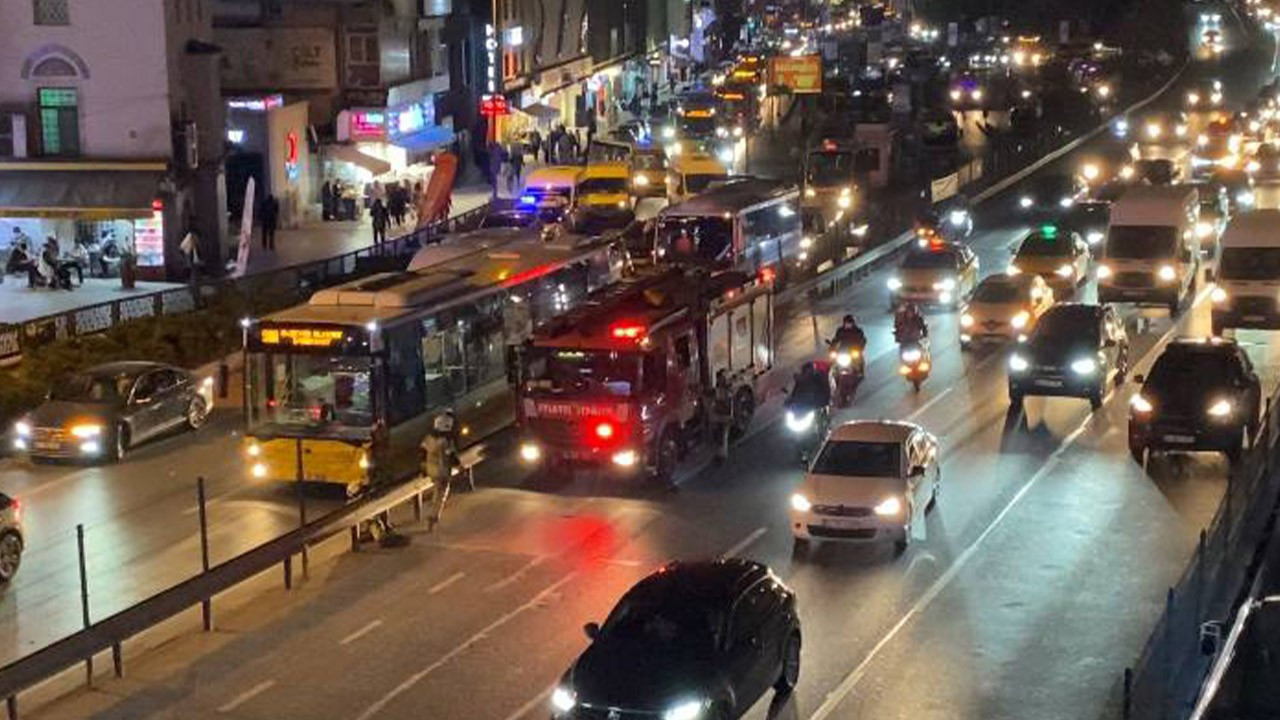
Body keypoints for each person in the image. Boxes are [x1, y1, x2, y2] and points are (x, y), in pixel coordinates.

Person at [421, 411, 459, 531]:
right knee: (441, 494)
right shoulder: (445, 441)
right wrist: (460, 466)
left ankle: (432, 514)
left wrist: (423, 467)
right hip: (442, 471)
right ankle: (433, 516)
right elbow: (452, 456)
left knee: (436, 491)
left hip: (431, 469)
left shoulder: (428, 438)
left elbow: (422, 452)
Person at [710, 369, 734, 463]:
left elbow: (728, 403)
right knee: (718, 435)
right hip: (719, 415)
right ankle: (720, 454)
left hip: (724, 415)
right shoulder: (718, 388)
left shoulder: (726, 389)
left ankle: (722, 455)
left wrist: (730, 415)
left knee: (723, 436)